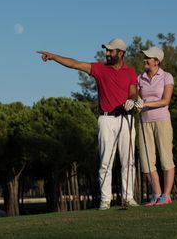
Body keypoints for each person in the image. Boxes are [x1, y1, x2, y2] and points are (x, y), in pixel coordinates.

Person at [37, 38, 139, 210]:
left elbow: (133, 93)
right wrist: (54, 57)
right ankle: (105, 200)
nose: (107, 53)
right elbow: (75, 64)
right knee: (106, 161)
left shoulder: (130, 72)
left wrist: (132, 100)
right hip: (106, 119)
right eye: (106, 50)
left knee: (128, 161)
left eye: (110, 51)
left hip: (126, 118)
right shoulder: (99, 69)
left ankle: (129, 197)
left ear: (120, 53)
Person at [135, 46, 175, 206]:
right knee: (146, 161)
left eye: (148, 57)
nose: (145, 59)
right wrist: (136, 103)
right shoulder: (140, 78)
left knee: (166, 158)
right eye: (144, 57)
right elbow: (137, 98)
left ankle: (166, 195)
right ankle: (157, 194)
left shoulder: (166, 76)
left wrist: (145, 103)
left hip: (162, 121)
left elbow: (166, 101)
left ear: (156, 61)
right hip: (144, 121)